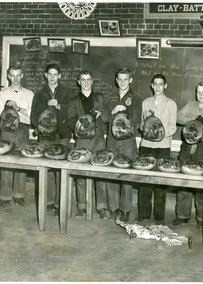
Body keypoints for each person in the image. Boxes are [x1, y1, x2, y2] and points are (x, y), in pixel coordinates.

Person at [172, 81, 203, 229]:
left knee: (202, 186)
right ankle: (182, 216)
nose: (200, 95)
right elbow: (177, 117)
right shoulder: (191, 105)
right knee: (184, 183)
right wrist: (192, 120)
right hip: (187, 147)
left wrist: (201, 128)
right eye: (198, 92)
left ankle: (202, 218)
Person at [31, 63, 73, 216]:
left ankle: (60, 204)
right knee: (47, 170)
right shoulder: (40, 93)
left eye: (55, 74)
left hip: (63, 135)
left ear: (60, 76)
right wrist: (45, 107)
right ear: (45, 75)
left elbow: (74, 112)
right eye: (50, 74)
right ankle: (48, 202)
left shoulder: (68, 91)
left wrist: (60, 106)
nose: (52, 77)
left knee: (61, 171)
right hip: (46, 136)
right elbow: (33, 115)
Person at [102, 68, 142, 222]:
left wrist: (125, 120)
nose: (123, 82)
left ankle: (125, 209)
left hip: (128, 142)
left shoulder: (136, 98)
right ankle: (113, 207)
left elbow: (138, 121)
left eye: (126, 79)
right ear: (116, 80)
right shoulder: (110, 96)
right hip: (111, 140)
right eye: (120, 79)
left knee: (126, 175)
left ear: (130, 80)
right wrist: (113, 110)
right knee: (111, 173)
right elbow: (104, 118)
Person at [137, 74, 177, 225]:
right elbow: (141, 128)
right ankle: (143, 214)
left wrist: (158, 132)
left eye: (161, 84)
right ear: (152, 86)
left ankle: (159, 217)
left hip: (163, 146)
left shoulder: (171, 104)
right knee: (144, 180)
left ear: (165, 86)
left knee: (160, 183)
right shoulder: (146, 102)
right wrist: (145, 122)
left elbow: (172, 127)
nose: (158, 87)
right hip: (146, 145)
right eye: (155, 84)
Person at [67, 71, 108, 219]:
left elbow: (108, 115)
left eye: (88, 79)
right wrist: (80, 126)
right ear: (79, 82)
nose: (85, 82)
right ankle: (82, 206)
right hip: (81, 139)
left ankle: (101, 206)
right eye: (82, 80)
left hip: (98, 139)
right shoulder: (74, 100)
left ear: (92, 81)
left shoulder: (100, 98)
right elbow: (70, 120)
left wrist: (101, 115)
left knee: (100, 172)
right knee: (81, 173)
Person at [0, 65, 34, 207]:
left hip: (23, 130)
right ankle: (5, 197)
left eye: (18, 75)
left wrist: (18, 108)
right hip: (7, 130)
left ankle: (19, 195)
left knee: (21, 162)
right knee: (6, 162)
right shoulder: (3, 93)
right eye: (12, 75)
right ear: (8, 76)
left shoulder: (29, 94)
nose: (16, 78)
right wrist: (8, 111)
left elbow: (33, 117)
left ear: (22, 75)